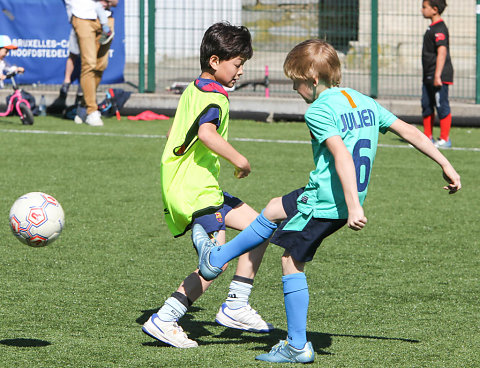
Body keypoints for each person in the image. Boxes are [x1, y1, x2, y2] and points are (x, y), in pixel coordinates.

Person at [192, 39, 462, 363]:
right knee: (273, 208)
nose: (295, 89)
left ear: (313, 79)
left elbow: (342, 155)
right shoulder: (363, 101)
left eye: (296, 82)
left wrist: (354, 206)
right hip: (325, 193)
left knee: (291, 261)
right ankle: (217, 259)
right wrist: (444, 163)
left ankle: (296, 346)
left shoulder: (319, 110)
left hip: (328, 202)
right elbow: (410, 131)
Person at [141, 22, 273, 349]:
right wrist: (240, 160)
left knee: (262, 227)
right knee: (217, 261)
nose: (241, 71)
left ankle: (235, 305)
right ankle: (165, 318)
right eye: (237, 64)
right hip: (194, 188)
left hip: (194, 184)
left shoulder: (196, 86)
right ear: (215, 61)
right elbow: (207, 134)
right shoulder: (215, 96)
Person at [71, 0, 117, 126]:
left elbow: (115, 2)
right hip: (83, 17)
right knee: (89, 64)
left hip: (106, 19)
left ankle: (83, 105)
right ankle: (92, 110)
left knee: (100, 66)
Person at [421, 0, 453, 148]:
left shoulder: (440, 28)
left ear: (434, 9)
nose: (422, 10)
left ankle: (445, 139)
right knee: (427, 105)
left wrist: (437, 75)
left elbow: (442, 51)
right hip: (428, 75)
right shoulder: (431, 27)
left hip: (438, 76)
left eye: (424, 7)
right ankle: (428, 137)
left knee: (442, 105)